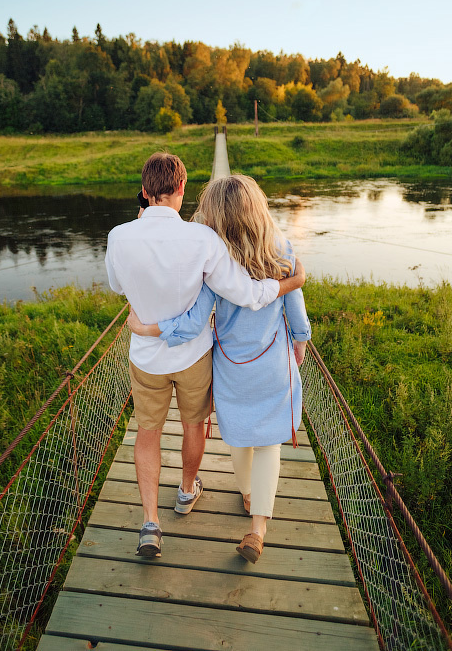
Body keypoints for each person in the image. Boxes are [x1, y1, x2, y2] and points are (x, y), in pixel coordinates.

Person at [105, 153, 306, 558]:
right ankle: (220, 506)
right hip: (233, 360)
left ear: (144, 193)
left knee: (189, 433)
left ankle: (186, 511)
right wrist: (294, 299)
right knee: (228, 433)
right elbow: (270, 304)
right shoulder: (238, 245)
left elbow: (132, 293)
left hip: (186, 362)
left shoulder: (129, 238)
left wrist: (149, 326)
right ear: (180, 189)